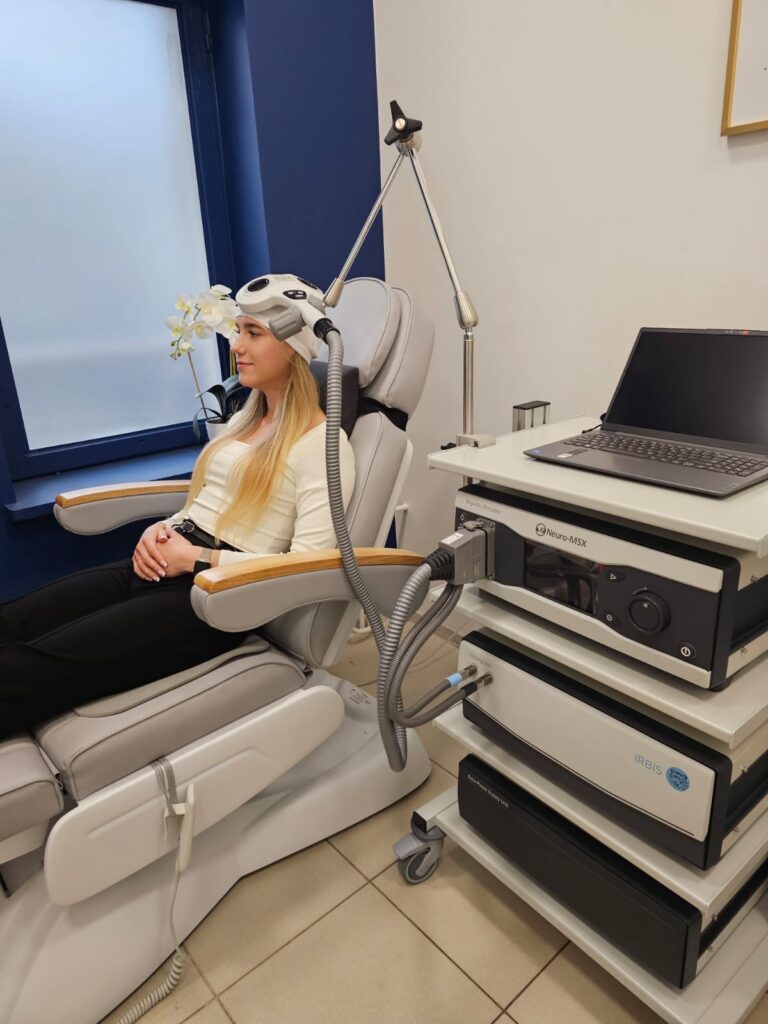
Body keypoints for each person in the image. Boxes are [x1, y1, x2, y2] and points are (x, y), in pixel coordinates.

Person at [0, 275, 356, 741]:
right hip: (165, 563)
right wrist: (161, 530)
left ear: (293, 347)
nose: (236, 346)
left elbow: (309, 566)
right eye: (239, 331)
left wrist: (195, 559)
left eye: (253, 333)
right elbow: (206, 500)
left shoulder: (322, 444)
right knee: (13, 621)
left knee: (31, 667)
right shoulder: (246, 419)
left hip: (215, 600)